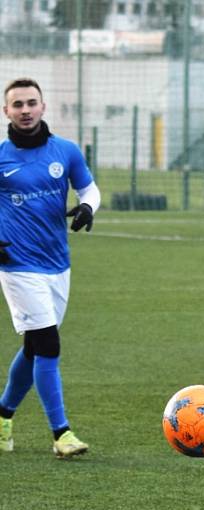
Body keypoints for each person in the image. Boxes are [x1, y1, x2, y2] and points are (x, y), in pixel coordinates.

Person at [0, 77, 100, 457]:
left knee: (33, 346)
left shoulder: (66, 151)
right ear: (6, 112)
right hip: (16, 265)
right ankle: (62, 434)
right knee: (48, 343)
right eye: (17, 104)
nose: (25, 110)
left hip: (58, 264)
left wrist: (89, 206)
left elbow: (89, 188)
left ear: (43, 107)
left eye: (31, 103)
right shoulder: (1, 157)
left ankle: (3, 413)